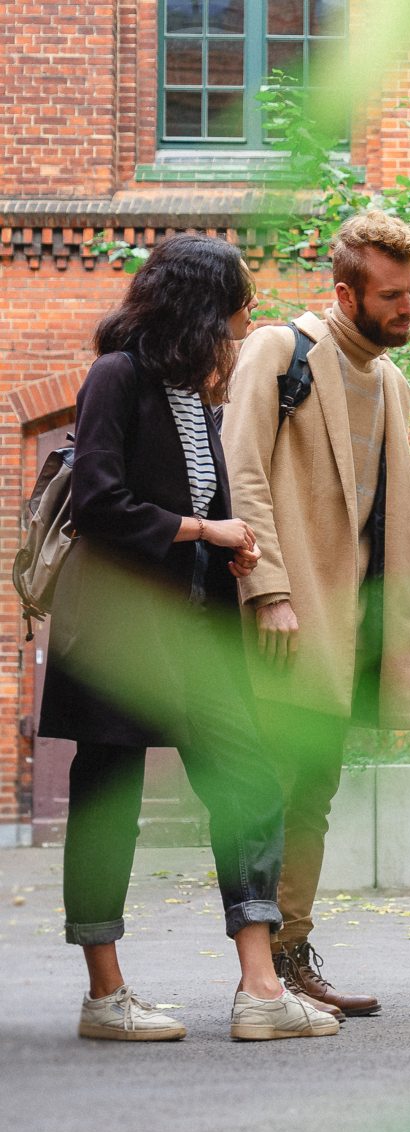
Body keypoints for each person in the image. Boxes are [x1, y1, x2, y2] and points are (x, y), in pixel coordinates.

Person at [39, 233, 338, 1042]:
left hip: (197, 629)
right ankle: (106, 995)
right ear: (196, 308)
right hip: (118, 631)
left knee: (249, 783)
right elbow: (102, 502)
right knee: (108, 802)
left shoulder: (197, 396)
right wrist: (206, 526)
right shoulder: (117, 377)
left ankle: (260, 989)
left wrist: (224, 543)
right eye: (235, 315)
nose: (240, 332)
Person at [222, 211, 410, 1020]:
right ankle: (260, 972)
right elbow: (242, 469)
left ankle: (289, 956)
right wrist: (267, 588)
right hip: (286, 616)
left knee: (314, 790)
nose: (409, 306)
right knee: (269, 790)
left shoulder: (391, 380)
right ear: (346, 292)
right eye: (393, 294)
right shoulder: (281, 351)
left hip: (351, 632)